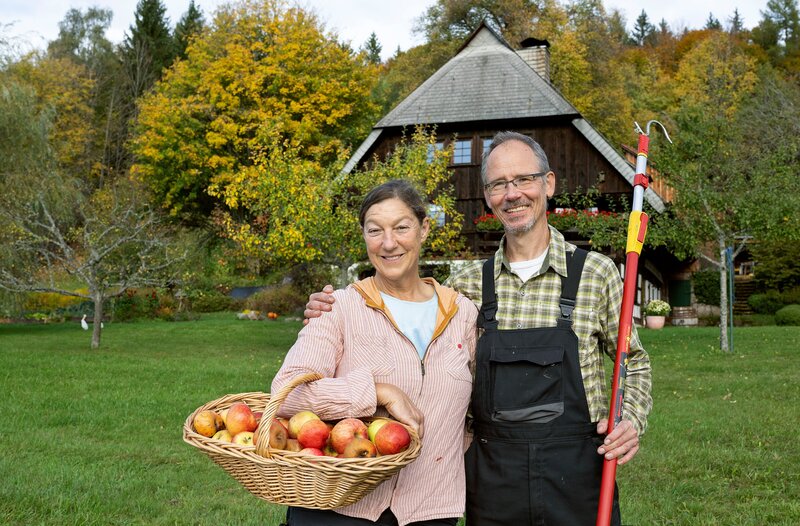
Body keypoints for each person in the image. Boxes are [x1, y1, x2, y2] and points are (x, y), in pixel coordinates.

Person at [304, 132, 652, 525]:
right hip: (492, 475)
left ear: (548, 183)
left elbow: (633, 361)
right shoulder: (466, 286)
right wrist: (328, 308)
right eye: (499, 184)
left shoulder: (595, 273)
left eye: (524, 179)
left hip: (577, 472)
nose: (513, 194)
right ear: (487, 196)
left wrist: (630, 419)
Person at [272, 179, 478, 526]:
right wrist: (377, 391)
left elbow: (477, 409)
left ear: (424, 228)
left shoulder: (463, 314)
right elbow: (285, 392)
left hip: (430, 510)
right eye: (374, 230)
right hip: (342, 506)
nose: (388, 243)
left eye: (401, 227)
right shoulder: (339, 308)